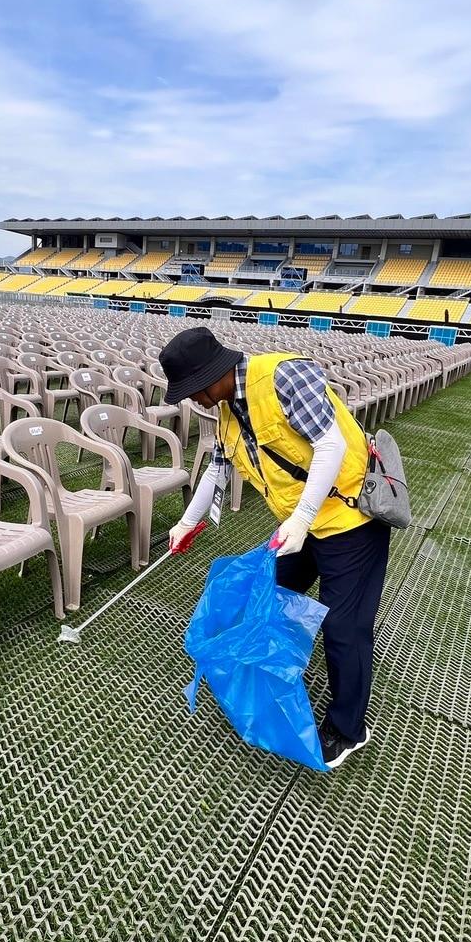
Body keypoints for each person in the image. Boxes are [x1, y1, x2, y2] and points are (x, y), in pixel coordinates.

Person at [159, 326, 390, 769]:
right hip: (300, 524)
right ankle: (265, 669)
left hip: (350, 519)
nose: (194, 401)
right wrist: (187, 522)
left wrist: (302, 518)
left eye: (193, 391)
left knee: (345, 626)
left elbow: (331, 445)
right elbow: (217, 471)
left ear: (213, 375)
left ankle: (348, 729)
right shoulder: (226, 411)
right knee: (267, 589)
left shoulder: (283, 377)